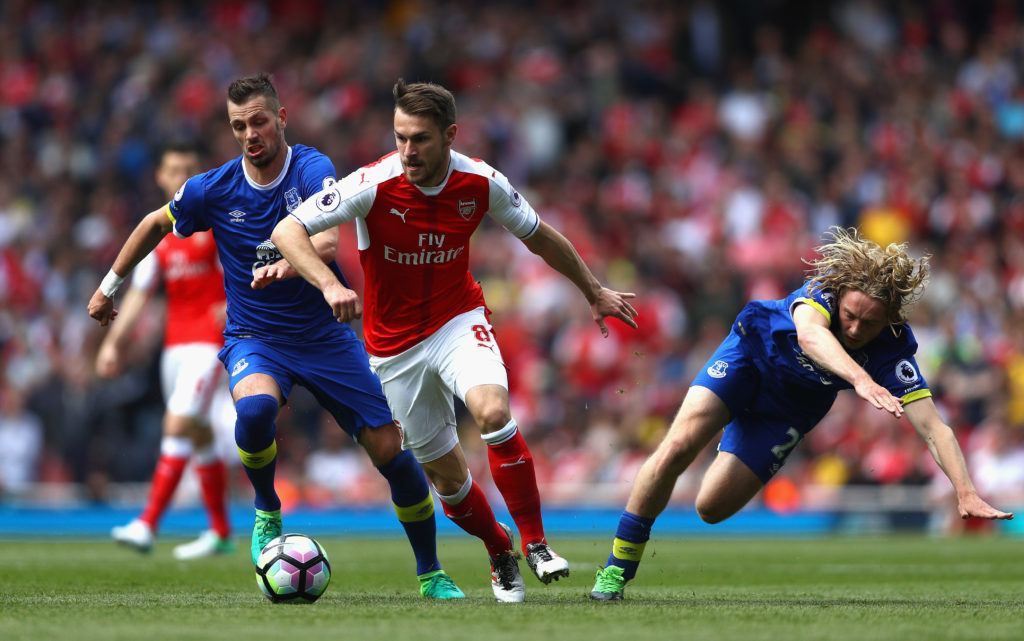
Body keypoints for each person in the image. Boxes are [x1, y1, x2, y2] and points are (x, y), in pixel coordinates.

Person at [87, 73, 463, 599]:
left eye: (259, 120)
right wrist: (110, 285)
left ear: (281, 118)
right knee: (255, 412)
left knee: (391, 453)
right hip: (255, 337)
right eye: (239, 124)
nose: (250, 133)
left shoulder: (312, 169)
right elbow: (154, 223)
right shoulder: (212, 189)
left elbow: (328, 241)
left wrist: (287, 266)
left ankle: (431, 572)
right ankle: (266, 506)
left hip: (325, 337)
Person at [269, 78, 639, 602]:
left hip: (456, 320)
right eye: (399, 137)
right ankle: (499, 549)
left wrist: (593, 290)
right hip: (393, 348)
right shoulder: (372, 184)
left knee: (491, 412)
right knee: (448, 481)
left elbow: (540, 237)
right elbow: (288, 230)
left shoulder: (481, 181)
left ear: (450, 135)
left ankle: (535, 543)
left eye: (419, 138)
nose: (406, 150)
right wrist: (329, 284)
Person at [585, 226, 1014, 601]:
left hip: (791, 408)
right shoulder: (821, 293)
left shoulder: (894, 350)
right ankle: (618, 568)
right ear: (839, 298)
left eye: (869, 324)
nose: (854, 330)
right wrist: (861, 380)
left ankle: (735, 429)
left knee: (710, 508)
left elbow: (935, 427)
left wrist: (965, 490)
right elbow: (810, 336)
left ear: (890, 321)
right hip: (747, 360)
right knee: (677, 448)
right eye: (849, 317)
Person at [95, 143, 235, 560]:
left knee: (177, 424)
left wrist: (231, 303)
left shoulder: (214, 225)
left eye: (189, 169)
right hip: (173, 348)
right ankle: (221, 532)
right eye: (173, 169)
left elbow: (246, 269)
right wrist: (112, 343)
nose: (181, 177)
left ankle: (147, 524)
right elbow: (139, 295)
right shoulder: (159, 236)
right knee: (199, 432)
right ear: (160, 176)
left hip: (209, 346)